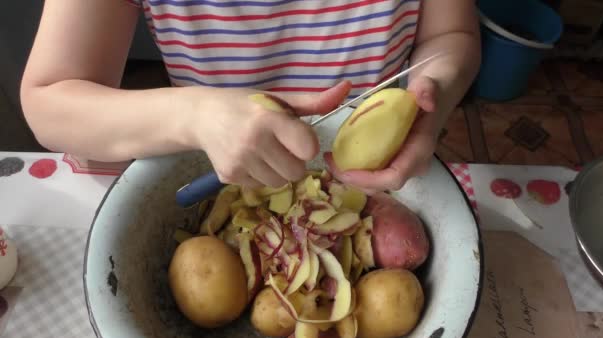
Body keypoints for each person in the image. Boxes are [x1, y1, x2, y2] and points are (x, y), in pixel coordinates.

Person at [20, 0, 480, 194]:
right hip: (222, 179)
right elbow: (50, 104)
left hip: (377, 186)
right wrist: (195, 115)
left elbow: (452, 34)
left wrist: (433, 92)